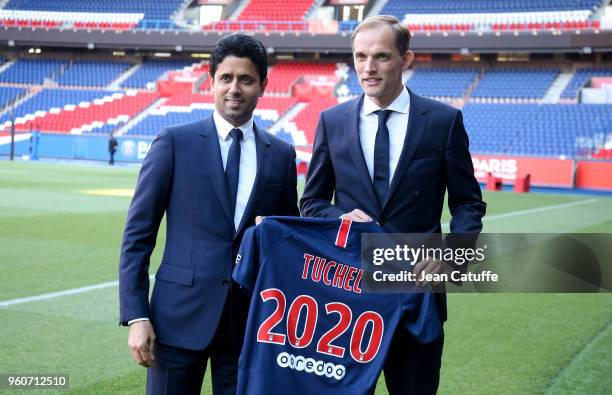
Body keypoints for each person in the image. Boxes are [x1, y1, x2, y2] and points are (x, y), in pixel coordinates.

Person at [300, 15, 486, 394]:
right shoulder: (332, 121)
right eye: (360, 56)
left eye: (381, 56)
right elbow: (312, 202)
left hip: (418, 297)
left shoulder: (443, 122)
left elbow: (468, 203)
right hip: (348, 302)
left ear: (407, 59)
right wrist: (340, 216)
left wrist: (451, 252)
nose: (368, 68)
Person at [119, 33, 299, 395]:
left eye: (246, 79)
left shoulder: (280, 155)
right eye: (226, 78)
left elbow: (287, 241)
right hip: (176, 320)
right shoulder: (174, 142)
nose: (235, 88)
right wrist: (137, 316)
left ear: (262, 85)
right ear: (211, 81)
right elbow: (138, 235)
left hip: (249, 323)